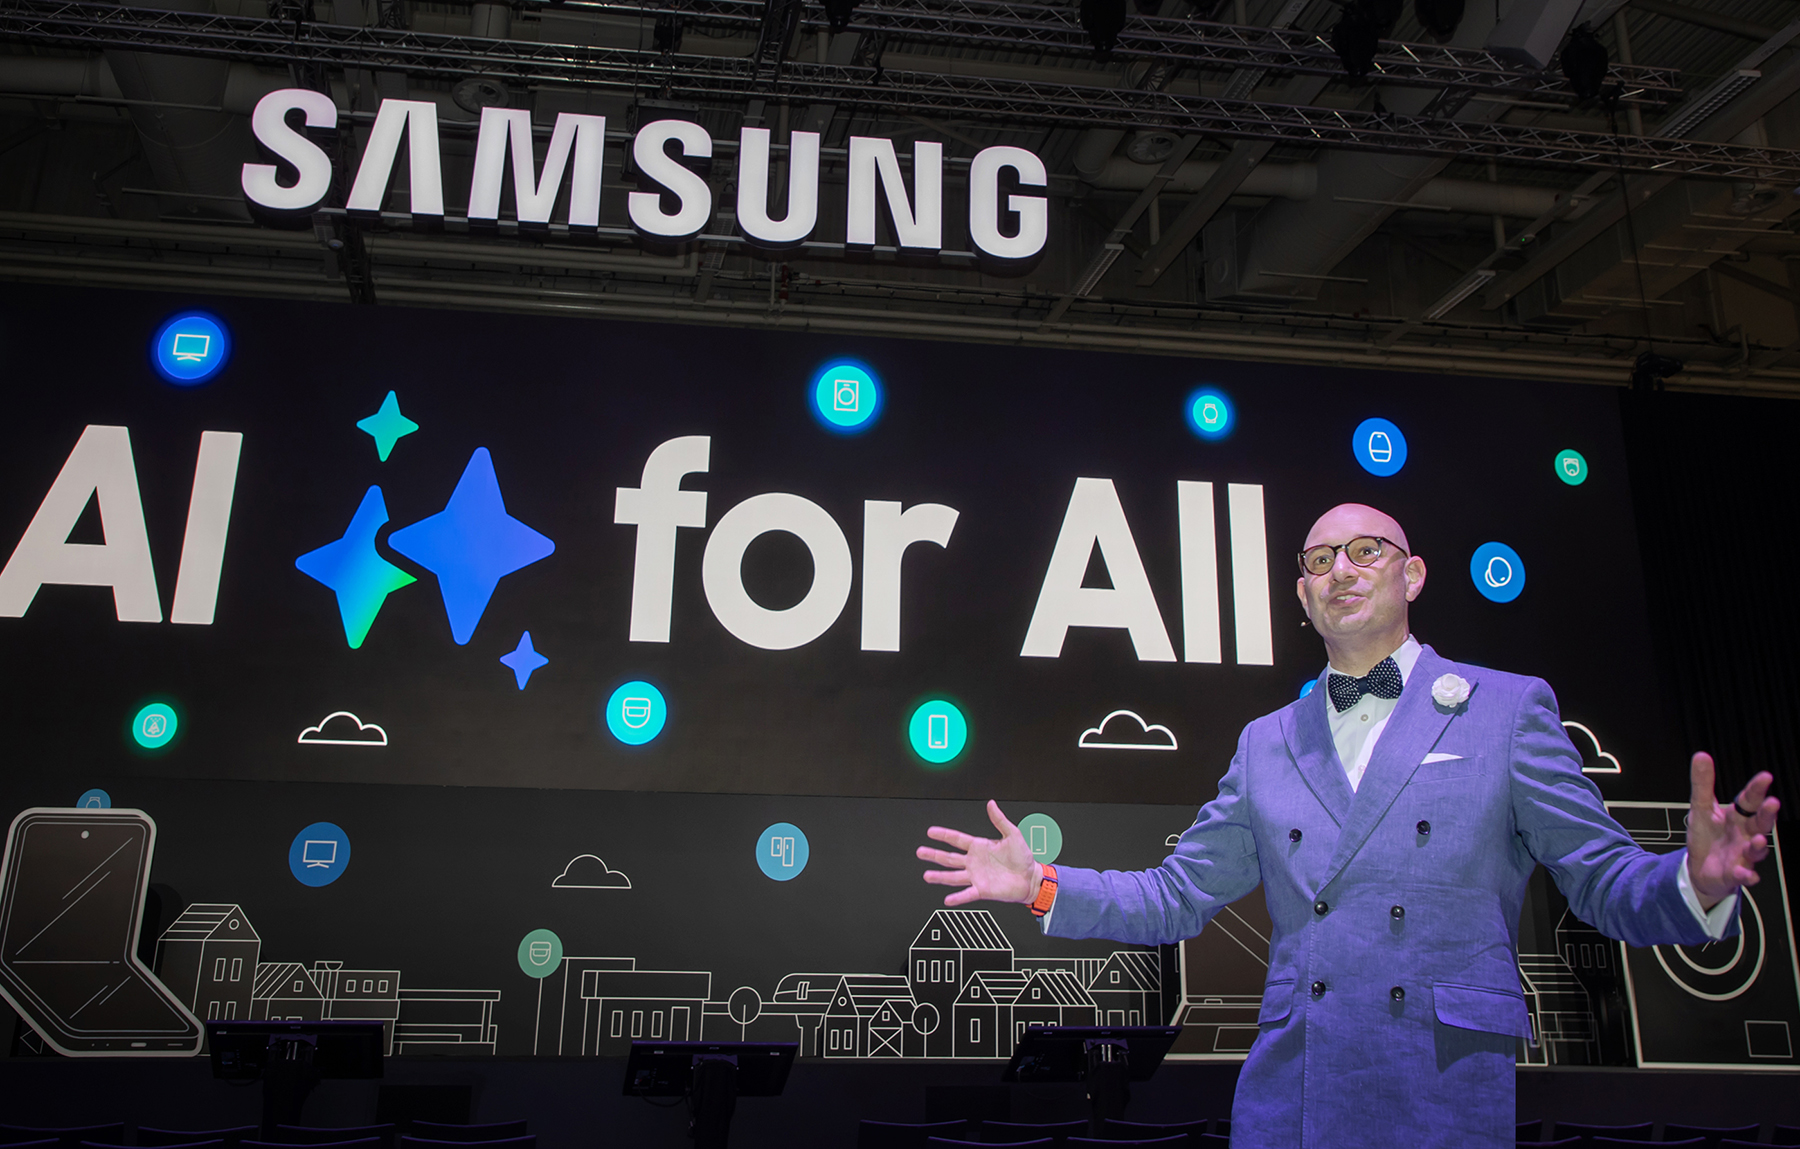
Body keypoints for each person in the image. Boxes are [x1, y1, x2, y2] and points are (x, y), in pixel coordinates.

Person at [917, 503, 1779, 1149]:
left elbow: (1599, 878)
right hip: (1295, 1092)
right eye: (1321, 558)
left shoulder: (1508, 710)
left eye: (1368, 550)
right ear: (1302, 592)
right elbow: (1178, 895)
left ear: (1414, 575)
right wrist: (1040, 884)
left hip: (1441, 1084)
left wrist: (1694, 883)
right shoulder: (1265, 742)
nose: (1343, 569)